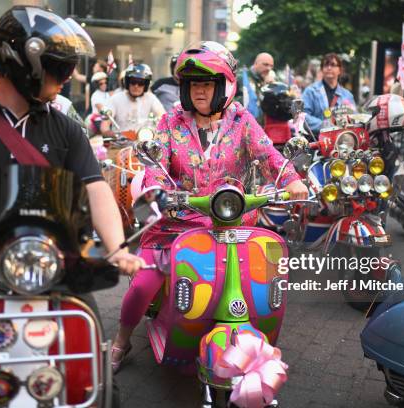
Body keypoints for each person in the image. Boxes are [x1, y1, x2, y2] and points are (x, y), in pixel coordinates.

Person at [0, 6, 144, 341]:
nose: (66, 76)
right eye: (58, 66)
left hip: (56, 267)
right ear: (23, 62)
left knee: (96, 368)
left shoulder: (66, 129)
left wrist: (117, 248)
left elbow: (96, 189)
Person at [110, 41, 308, 371]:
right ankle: (121, 340)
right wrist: (155, 189)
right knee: (143, 283)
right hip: (177, 223)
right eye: (192, 84)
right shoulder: (171, 122)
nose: (199, 91)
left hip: (234, 224)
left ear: (224, 85)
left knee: (260, 281)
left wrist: (292, 180)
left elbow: (270, 156)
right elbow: (154, 165)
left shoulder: (242, 120)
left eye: (207, 83)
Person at [302, 53, 355, 135]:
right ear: (322, 69)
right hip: (316, 141)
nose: (329, 68)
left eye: (333, 65)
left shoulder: (347, 95)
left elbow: (354, 118)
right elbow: (303, 116)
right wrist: (324, 125)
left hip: (341, 142)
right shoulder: (311, 91)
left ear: (340, 70)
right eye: (326, 65)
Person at [104, 63, 165, 133]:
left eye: (141, 83)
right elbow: (105, 126)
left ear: (146, 85)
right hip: (121, 141)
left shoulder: (151, 98)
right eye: (133, 82)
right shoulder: (115, 99)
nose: (136, 86)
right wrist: (113, 135)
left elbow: (163, 117)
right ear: (127, 82)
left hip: (144, 140)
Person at [236, 52, 274, 124]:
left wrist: (269, 87)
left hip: (259, 128)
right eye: (265, 64)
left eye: (271, 66)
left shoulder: (266, 81)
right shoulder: (241, 77)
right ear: (256, 63)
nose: (269, 68)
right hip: (241, 126)